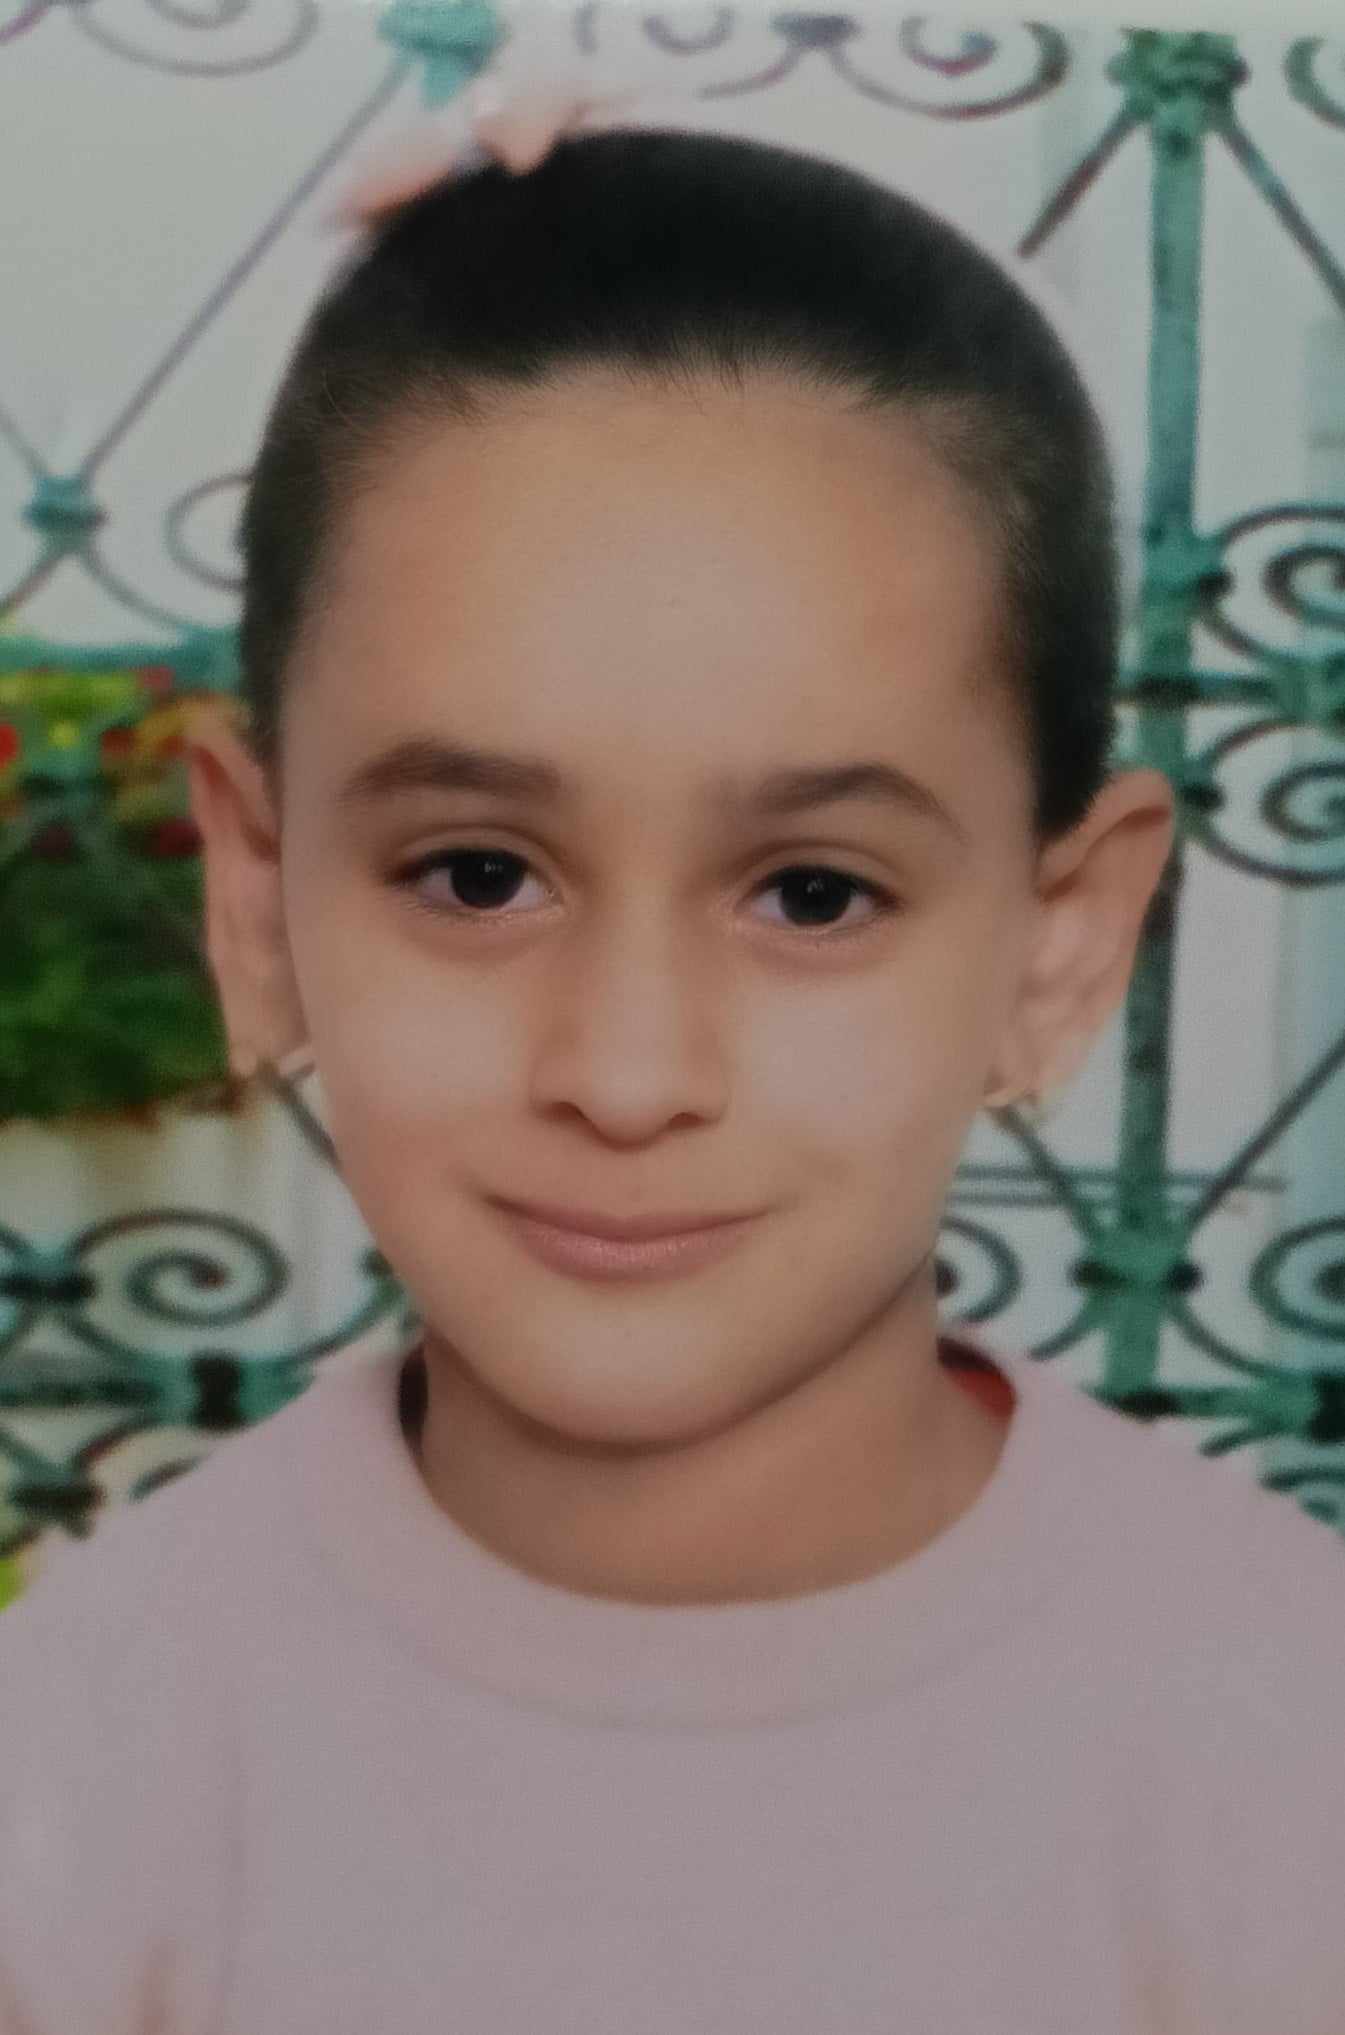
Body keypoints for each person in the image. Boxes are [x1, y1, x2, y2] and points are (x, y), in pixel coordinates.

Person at [3, 107, 1344, 2035]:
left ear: (1059, 947)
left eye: (813, 893)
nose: (626, 1074)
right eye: (477, 875)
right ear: (256, 898)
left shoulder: (1286, 1762)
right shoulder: (81, 1766)